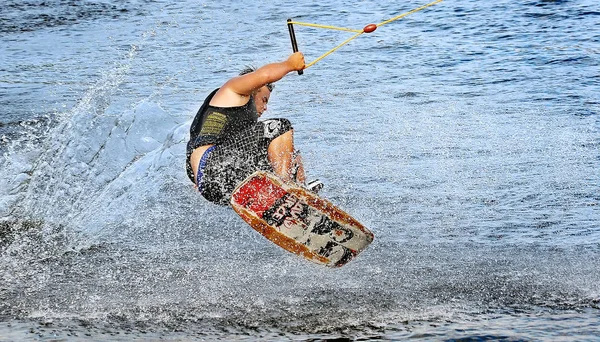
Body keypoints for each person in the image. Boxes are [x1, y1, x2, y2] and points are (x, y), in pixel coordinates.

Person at [185, 52, 323, 206]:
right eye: (264, 100)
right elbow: (264, 75)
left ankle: (300, 198)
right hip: (213, 166)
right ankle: (287, 191)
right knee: (280, 127)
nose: (265, 108)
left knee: (292, 158)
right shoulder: (233, 90)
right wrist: (289, 65)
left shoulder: (238, 125)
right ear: (253, 88)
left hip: (216, 184)